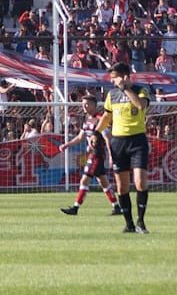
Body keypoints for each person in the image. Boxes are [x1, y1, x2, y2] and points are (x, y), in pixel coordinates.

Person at [97, 62, 152, 234]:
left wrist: (126, 89)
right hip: (118, 142)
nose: (112, 82)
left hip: (137, 141)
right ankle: (129, 224)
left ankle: (141, 222)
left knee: (140, 182)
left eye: (115, 78)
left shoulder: (141, 90)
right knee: (122, 187)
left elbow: (140, 105)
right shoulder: (111, 94)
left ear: (125, 76)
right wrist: (95, 133)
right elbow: (107, 116)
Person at [59, 94, 121, 216]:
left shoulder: (100, 119)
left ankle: (75, 208)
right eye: (83, 104)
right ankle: (117, 206)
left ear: (94, 105)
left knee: (85, 179)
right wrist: (67, 145)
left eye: (87, 104)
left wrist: (111, 155)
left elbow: (107, 138)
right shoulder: (87, 119)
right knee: (103, 181)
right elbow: (80, 137)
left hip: (97, 154)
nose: (84, 106)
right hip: (92, 154)